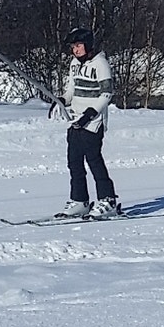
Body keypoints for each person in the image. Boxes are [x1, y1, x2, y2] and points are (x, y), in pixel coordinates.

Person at [55, 27, 121, 218]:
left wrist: (90, 114)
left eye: (78, 45)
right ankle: (79, 200)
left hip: (93, 123)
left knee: (94, 161)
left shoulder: (101, 64)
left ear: (88, 45)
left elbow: (106, 94)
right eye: (73, 46)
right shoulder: (74, 63)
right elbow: (71, 91)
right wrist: (61, 100)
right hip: (75, 120)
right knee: (74, 162)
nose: (75, 50)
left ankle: (107, 199)